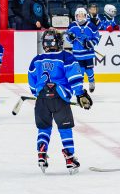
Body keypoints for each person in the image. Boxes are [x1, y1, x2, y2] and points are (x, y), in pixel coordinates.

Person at [28, 28, 92, 173]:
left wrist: (36, 92)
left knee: (43, 128)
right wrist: (80, 94)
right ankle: (69, 157)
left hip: (42, 100)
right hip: (60, 98)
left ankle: (41, 153)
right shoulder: (65, 57)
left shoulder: (37, 59)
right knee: (65, 129)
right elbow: (74, 77)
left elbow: (31, 80)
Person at [66, 7, 101, 93]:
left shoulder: (91, 25)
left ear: (85, 16)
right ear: (76, 16)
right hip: (77, 55)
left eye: (82, 15)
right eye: (79, 16)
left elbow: (97, 37)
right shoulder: (72, 25)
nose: (80, 17)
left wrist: (90, 44)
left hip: (88, 54)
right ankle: (79, 87)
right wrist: (71, 37)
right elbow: (68, 37)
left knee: (89, 71)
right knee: (80, 72)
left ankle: (91, 82)